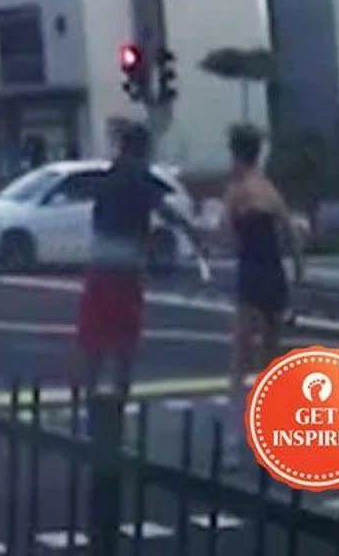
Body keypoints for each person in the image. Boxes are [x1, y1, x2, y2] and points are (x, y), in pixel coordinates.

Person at [77, 122, 210, 407]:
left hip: (99, 265)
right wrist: (193, 232)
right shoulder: (138, 176)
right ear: (142, 149)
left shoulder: (109, 175)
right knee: (124, 338)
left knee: (95, 338)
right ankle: (120, 396)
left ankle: (90, 395)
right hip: (125, 268)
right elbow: (164, 209)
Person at [223, 124, 304, 465]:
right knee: (270, 358)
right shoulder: (269, 190)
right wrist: (298, 273)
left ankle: (233, 438)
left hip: (251, 273)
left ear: (236, 155)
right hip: (274, 274)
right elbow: (291, 235)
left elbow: (224, 235)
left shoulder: (238, 191)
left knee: (241, 357)